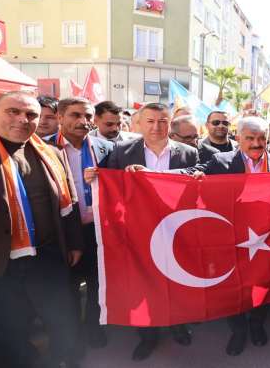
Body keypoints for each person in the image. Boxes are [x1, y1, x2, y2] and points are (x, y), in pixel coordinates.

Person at [84, 102, 198, 361]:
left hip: (177, 227)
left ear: (170, 123)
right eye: (150, 121)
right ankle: (148, 336)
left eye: (162, 121)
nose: (156, 127)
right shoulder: (122, 150)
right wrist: (95, 176)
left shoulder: (189, 151)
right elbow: (107, 179)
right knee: (143, 283)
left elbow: (198, 174)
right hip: (138, 231)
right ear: (138, 123)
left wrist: (158, 177)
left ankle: (179, 325)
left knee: (177, 280)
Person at [0, 91, 83, 368]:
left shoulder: (52, 153)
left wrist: (74, 243)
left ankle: (64, 358)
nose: (22, 120)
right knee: (8, 326)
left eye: (30, 115)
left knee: (61, 316)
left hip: (48, 254)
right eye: (13, 111)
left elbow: (70, 202)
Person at [192, 116, 270, 356]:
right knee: (233, 286)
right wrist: (146, 172)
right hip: (230, 237)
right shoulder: (219, 161)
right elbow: (192, 173)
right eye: (250, 138)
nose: (256, 143)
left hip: (265, 238)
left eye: (261, 138)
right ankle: (238, 330)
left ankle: (257, 324)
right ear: (237, 138)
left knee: (262, 283)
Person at [48, 97, 114, 350]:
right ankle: (72, 334)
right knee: (68, 288)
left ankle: (94, 329)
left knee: (99, 285)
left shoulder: (105, 147)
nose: (83, 122)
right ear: (60, 117)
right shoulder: (43, 148)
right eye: (75, 115)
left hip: (98, 231)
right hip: (63, 233)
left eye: (87, 116)